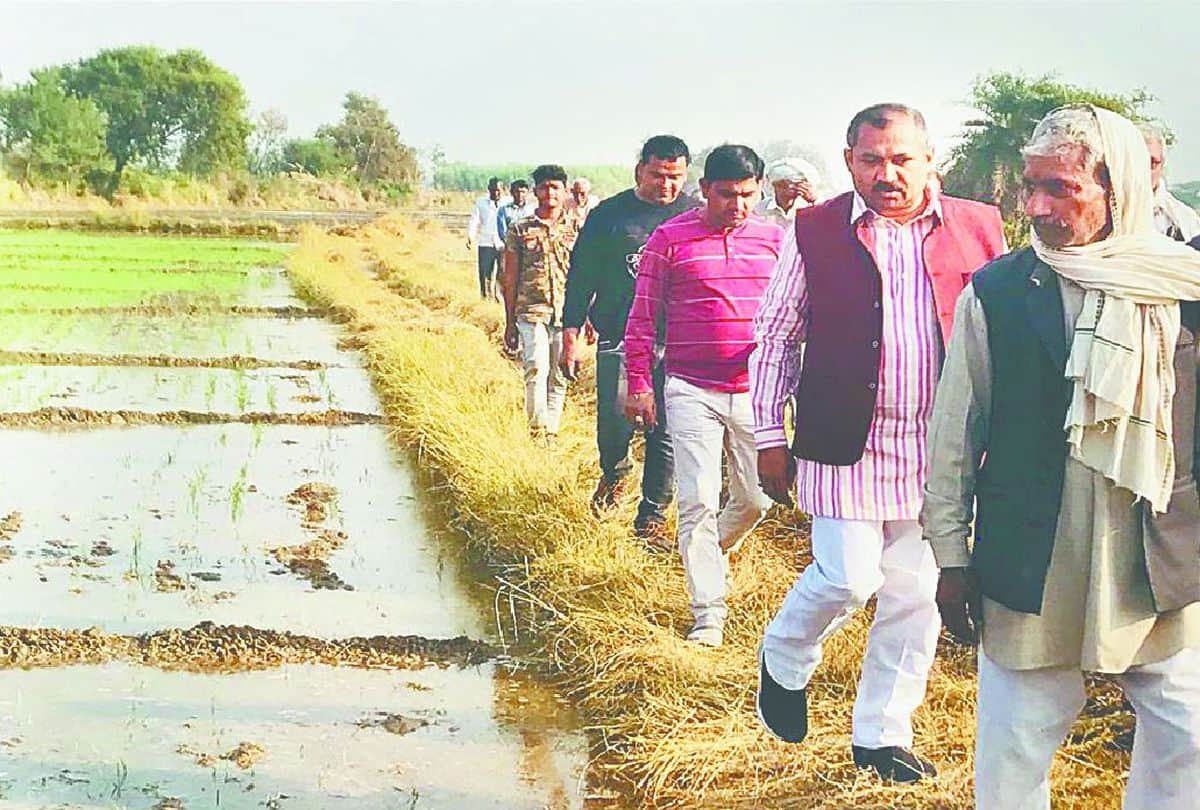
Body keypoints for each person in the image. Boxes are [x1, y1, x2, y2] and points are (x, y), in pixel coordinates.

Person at [924, 105, 1200, 810]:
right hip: (1033, 553)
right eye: (1029, 186)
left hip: (1154, 551)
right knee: (1015, 748)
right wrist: (952, 557)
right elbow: (956, 430)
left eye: (1061, 189)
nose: (1037, 207)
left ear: (1119, 189)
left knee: (1187, 737)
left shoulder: (1183, 288)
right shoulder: (1003, 291)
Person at [750, 103, 1006, 782]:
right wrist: (769, 434)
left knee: (914, 594)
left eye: (901, 159)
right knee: (849, 576)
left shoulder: (980, 228)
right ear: (849, 162)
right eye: (870, 160)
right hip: (842, 439)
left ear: (931, 161)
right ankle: (784, 653)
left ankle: (882, 734)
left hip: (939, 449)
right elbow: (776, 336)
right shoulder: (814, 230)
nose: (886, 173)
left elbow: (1002, 335)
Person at [623, 145, 781, 646]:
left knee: (758, 499)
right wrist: (639, 383)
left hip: (756, 390)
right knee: (696, 501)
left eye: (747, 195)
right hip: (690, 387)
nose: (738, 205)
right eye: (727, 194)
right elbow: (642, 317)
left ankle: (709, 551)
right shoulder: (669, 240)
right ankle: (708, 611)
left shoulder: (776, 241)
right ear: (705, 190)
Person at [560, 135, 699, 538]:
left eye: (675, 177)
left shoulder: (695, 216)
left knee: (666, 430)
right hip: (619, 336)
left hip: (676, 342)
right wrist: (571, 331)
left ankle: (653, 512)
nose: (666, 185)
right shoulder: (610, 216)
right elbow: (581, 275)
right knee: (616, 418)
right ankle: (615, 470)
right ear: (640, 170)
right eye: (657, 175)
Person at [500, 165, 579, 438]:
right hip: (531, 311)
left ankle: (551, 433)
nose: (550, 193)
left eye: (555, 187)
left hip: (567, 313)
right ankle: (536, 431)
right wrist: (509, 322)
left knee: (559, 375)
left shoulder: (576, 228)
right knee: (536, 367)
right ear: (535, 192)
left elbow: (586, 274)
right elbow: (508, 278)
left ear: (564, 191)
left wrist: (588, 317)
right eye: (544, 187)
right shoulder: (520, 229)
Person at [1140, 122, 1200, 242]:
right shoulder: (1104, 212)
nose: (1146, 169)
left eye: (1153, 163)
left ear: (1162, 164)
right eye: (1140, 160)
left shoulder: (1184, 218)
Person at [467, 177, 507, 300]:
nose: (496, 193)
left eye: (498, 190)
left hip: (503, 243)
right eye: (493, 190)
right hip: (486, 243)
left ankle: (498, 297)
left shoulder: (507, 204)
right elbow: (475, 220)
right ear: (489, 190)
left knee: (502, 272)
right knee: (485, 272)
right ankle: (485, 297)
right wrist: (470, 236)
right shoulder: (481, 202)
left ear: (503, 190)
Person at [754, 157, 820, 227]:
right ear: (777, 184)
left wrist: (813, 202)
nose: (800, 186)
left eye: (802, 182)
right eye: (794, 182)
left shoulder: (808, 207)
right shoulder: (760, 209)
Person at [497, 179, 536, 243]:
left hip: (529, 245)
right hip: (511, 246)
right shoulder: (504, 210)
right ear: (512, 193)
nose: (520, 195)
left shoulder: (532, 209)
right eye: (517, 192)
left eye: (523, 192)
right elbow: (502, 232)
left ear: (527, 193)